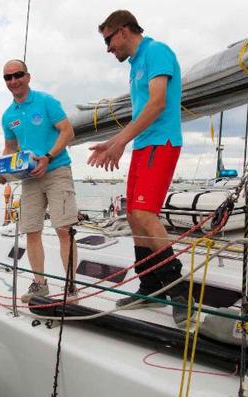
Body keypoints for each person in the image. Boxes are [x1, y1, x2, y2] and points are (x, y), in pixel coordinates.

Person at [88, 10, 190, 324]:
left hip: (162, 143)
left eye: (108, 40)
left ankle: (179, 292)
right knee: (133, 215)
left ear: (122, 31)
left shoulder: (156, 51)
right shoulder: (134, 66)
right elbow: (140, 113)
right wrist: (115, 141)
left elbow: (158, 103)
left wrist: (119, 143)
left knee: (146, 214)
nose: (108, 48)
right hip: (144, 145)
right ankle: (149, 288)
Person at [0, 59, 78, 303]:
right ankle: (39, 284)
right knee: (31, 231)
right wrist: (1, 169)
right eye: (8, 77)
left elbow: (68, 131)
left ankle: (72, 287)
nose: (13, 81)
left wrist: (48, 157)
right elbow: (10, 147)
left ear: (28, 76)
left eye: (18, 75)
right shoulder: (8, 115)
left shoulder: (46, 101)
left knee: (64, 229)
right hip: (29, 179)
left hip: (57, 171)